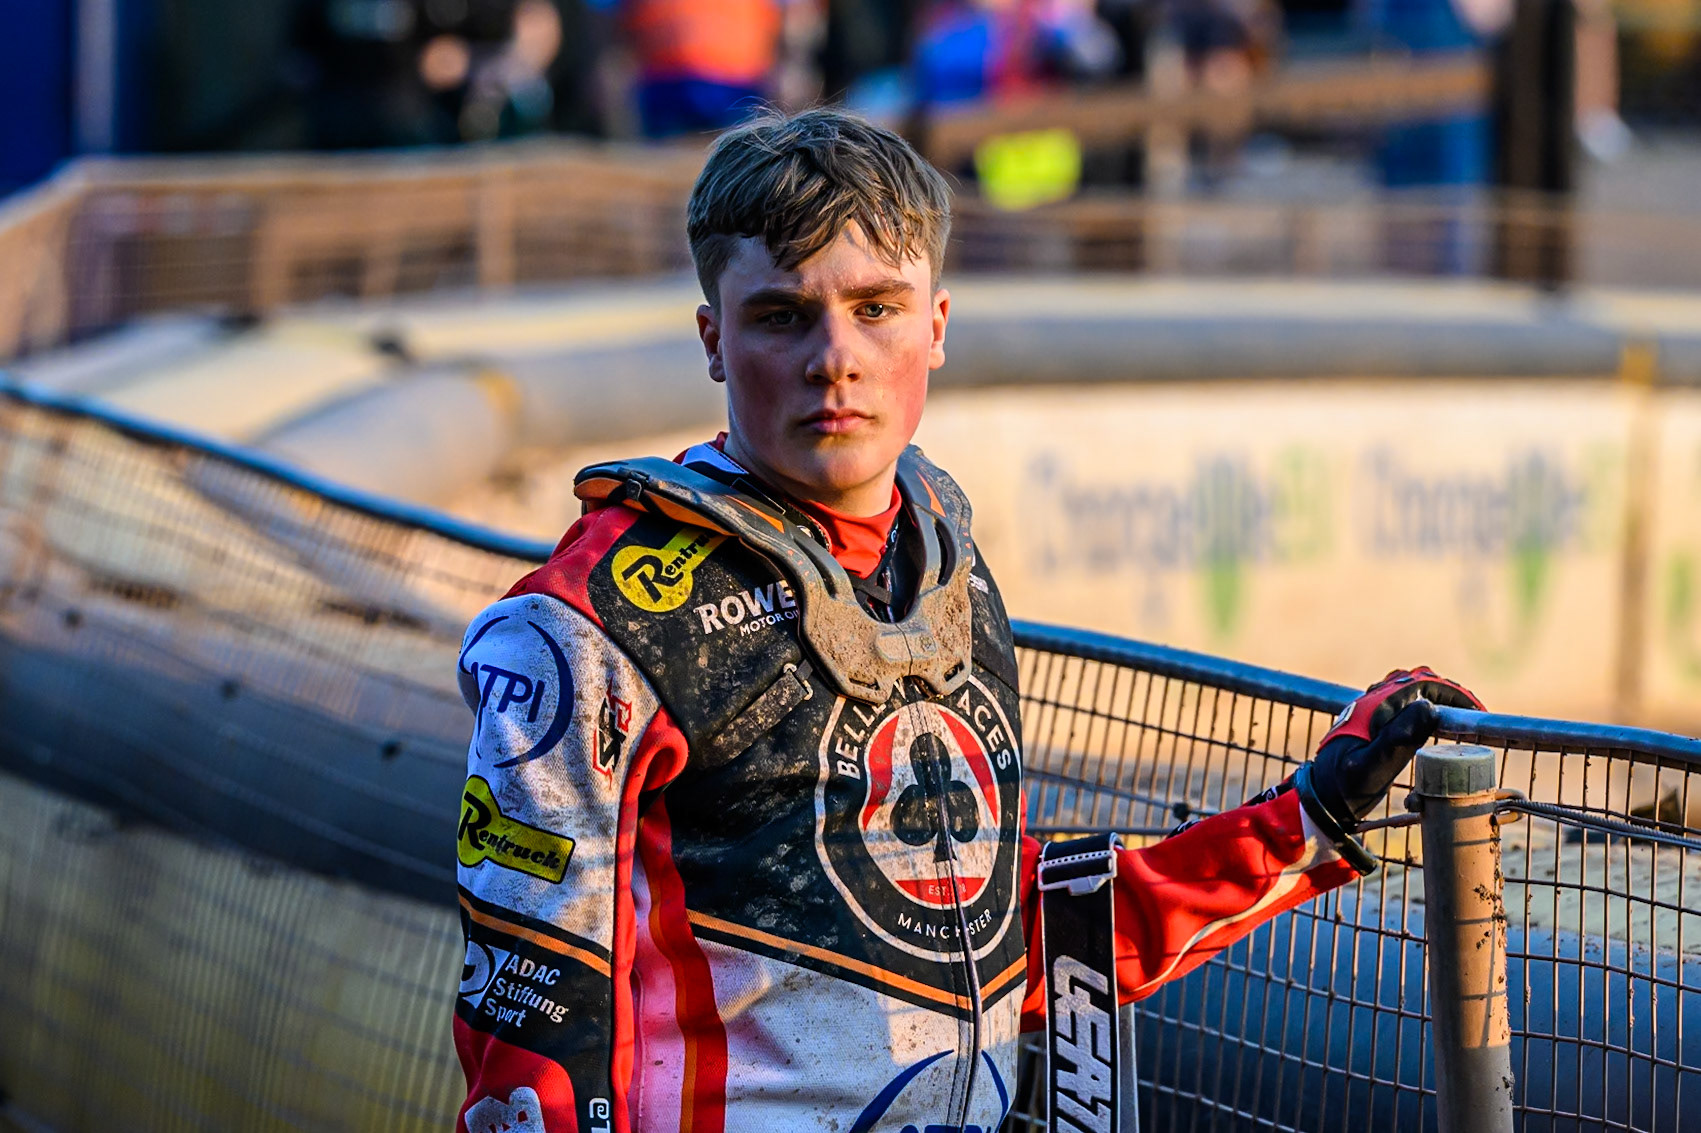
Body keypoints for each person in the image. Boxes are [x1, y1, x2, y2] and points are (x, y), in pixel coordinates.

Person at [450, 106, 1483, 1133]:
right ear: (713, 339)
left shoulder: (944, 554)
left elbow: (999, 933)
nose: (834, 358)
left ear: (936, 327)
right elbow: (531, 1054)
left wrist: (1305, 824)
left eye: (876, 307)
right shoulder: (593, 627)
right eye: (781, 315)